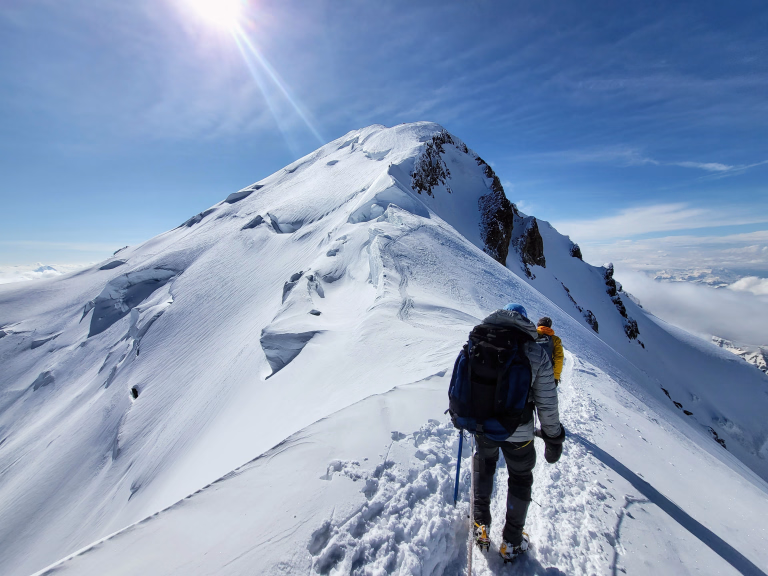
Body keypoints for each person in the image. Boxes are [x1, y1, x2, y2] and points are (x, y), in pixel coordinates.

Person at [472, 303, 565, 561]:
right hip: (520, 432)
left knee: (485, 464)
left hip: (484, 427)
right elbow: (547, 402)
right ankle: (512, 540)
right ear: (525, 322)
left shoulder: (480, 340)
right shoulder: (536, 353)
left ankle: (480, 523)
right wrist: (553, 437)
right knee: (520, 478)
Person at [535, 316, 564, 386]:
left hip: (530, 370)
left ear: (538, 325)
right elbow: (559, 358)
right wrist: (556, 377)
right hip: (547, 374)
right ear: (550, 326)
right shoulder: (556, 340)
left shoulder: (532, 335)